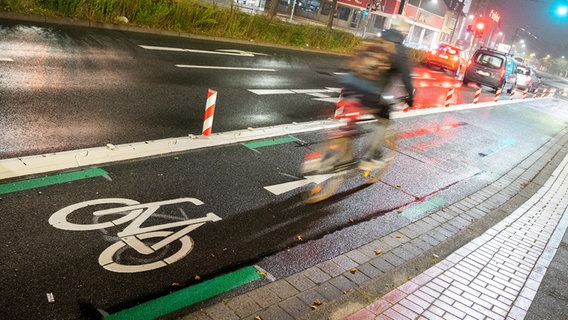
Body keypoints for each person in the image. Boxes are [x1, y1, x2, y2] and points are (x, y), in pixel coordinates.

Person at [339, 14, 415, 171]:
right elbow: (405, 76)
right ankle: (371, 156)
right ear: (404, 32)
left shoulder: (376, 39)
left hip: (350, 83)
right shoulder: (398, 49)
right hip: (372, 91)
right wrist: (410, 96)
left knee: (353, 113)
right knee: (383, 118)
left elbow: (356, 58)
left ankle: (342, 151)